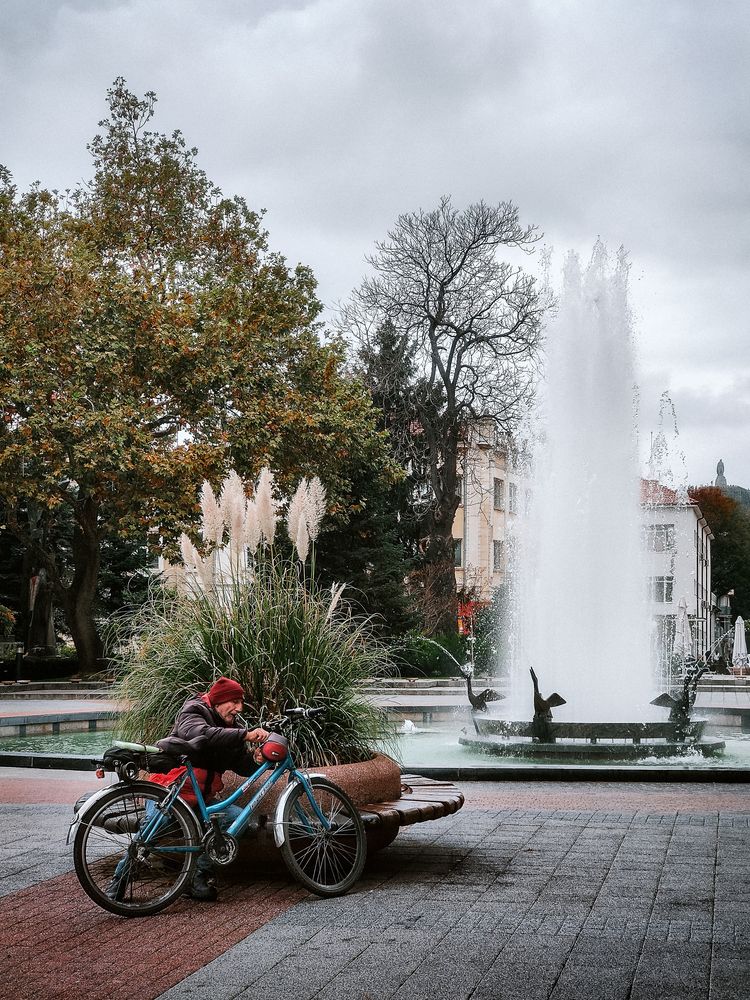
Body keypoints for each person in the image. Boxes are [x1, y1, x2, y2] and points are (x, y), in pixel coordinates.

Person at [109, 676, 268, 903]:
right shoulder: (194, 710)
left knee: (236, 818)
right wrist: (245, 734)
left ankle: (198, 876)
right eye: (234, 702)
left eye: (241, 703)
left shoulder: (232, 728)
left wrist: (256, 759)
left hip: (202, 800)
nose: (239, 708)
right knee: (157, 823)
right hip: (170, 792)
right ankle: (121, 878)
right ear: (219, 700)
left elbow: (240, 765)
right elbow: (199, 734)